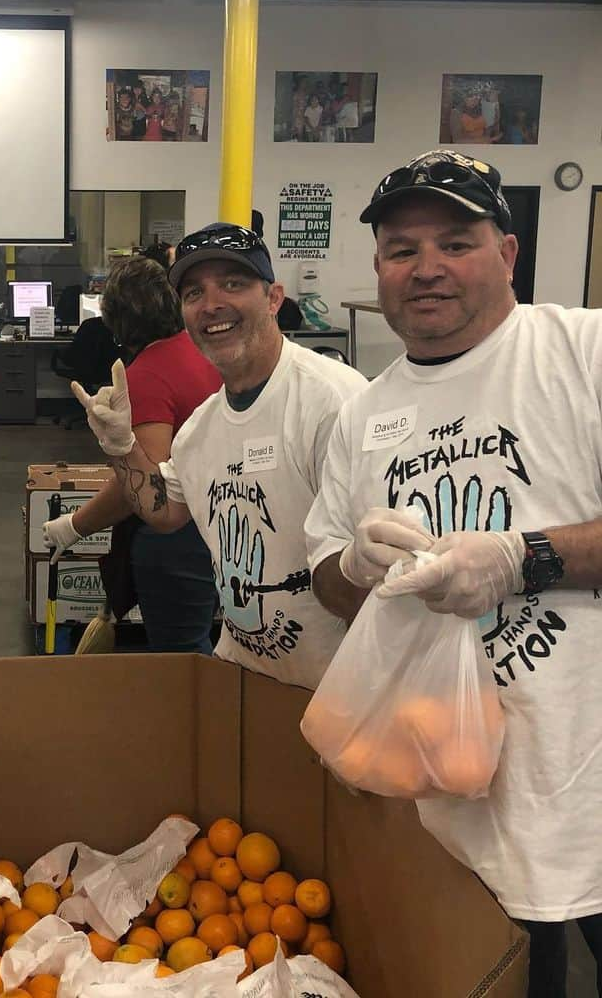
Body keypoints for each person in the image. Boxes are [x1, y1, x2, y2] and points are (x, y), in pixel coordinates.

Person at [304, 149, 602, 997]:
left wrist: (522, 557)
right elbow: (325, 573)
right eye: (402, 249)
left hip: (587, 783)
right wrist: (355, 565)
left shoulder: (582, 353)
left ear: (507, 254)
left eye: (456, 242)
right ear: (379, 268)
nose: (426, 268)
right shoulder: (364, 415)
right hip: (452, 800)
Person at [71, 223, 367, 687]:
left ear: (274, 298)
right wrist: (121, 447)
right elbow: (165, 512)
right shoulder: (201, 428)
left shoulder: (334, 401)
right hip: (245, 674)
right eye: (194, 293)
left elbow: (375, 575)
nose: (212, 305)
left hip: (336, 689)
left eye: (233, 283)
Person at [42, 255, 222, 653]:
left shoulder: (145, 376)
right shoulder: (198, 351)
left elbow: (145, 488)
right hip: (214, 519)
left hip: (175, 539)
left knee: (181, 655)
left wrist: (75, 525)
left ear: (115, 318)